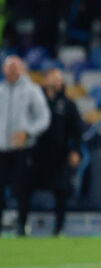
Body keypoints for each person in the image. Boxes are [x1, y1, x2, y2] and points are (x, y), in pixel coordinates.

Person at [0, 56, 51, 235]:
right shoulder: (1, 90)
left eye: (15, 67)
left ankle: (22, 224)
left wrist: (28, 132)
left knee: (22, 188)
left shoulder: (31, 90)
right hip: (2, 149)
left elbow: (44, 117)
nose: (12, 71)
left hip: (22, 149)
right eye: (9, 67)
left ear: (22, 69)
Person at [31, 68, 84, 236]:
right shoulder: (35, 101)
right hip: (36, 155)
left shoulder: (68, 104)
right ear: (45, 80)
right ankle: (20, 223)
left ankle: (59, 228)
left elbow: (77, 131)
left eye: (60, 79)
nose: (58, 82)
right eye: (54, 78)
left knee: (61, 192)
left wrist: (76, 150)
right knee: (24, 189)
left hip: (60, 156)